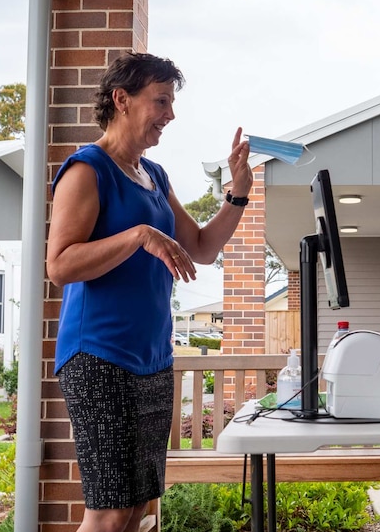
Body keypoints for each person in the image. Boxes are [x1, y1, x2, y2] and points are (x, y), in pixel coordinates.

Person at [46, 52, 252, 532]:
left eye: (171, 102)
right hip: (100, 357)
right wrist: (138, 234)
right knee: (111, 508)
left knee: (139, 506)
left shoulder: (155, 175)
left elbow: (200, 247)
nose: (170, 115)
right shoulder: (87, 170)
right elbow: (59, 265)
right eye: (161, 101)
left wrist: (237, 195)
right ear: (122, 100)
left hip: (153, 360)